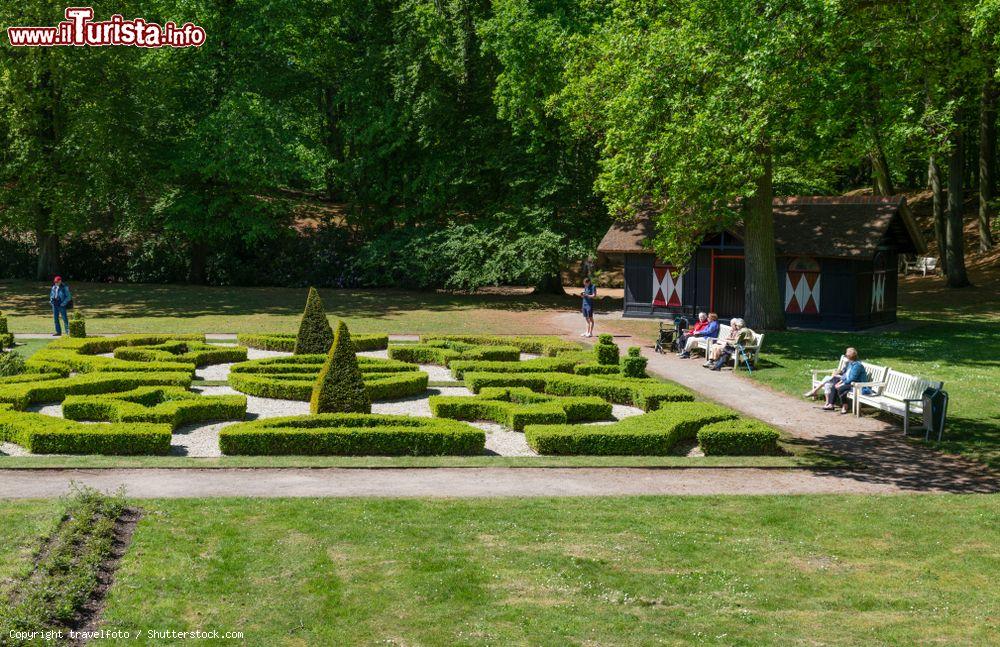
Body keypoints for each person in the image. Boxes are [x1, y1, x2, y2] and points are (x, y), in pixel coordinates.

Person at [819, 347, 865, 413]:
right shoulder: (850, 364)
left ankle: (845, 405)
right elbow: (846, 375)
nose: (846, 356)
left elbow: (852, 379)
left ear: (850, 357)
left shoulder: (857, 366)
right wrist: (840, 382)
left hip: (857, 385)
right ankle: (831, 404)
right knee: (835, 382)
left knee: (841, 388)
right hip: (849, 382)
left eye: (846, 355)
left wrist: (842, 384)